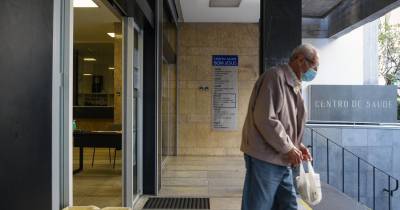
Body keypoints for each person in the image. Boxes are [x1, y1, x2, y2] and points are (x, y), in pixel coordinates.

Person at [240, 44, 319, 210]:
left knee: (289, 205)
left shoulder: (294, 84)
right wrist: (289, 147)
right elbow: (266, 119)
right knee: (259, 206)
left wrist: (297, 146)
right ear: (300, 60)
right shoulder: (274, 77)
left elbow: (286, 122)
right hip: (265, 158)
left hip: (282, 158)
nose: (315, 71)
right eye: (314, 66)